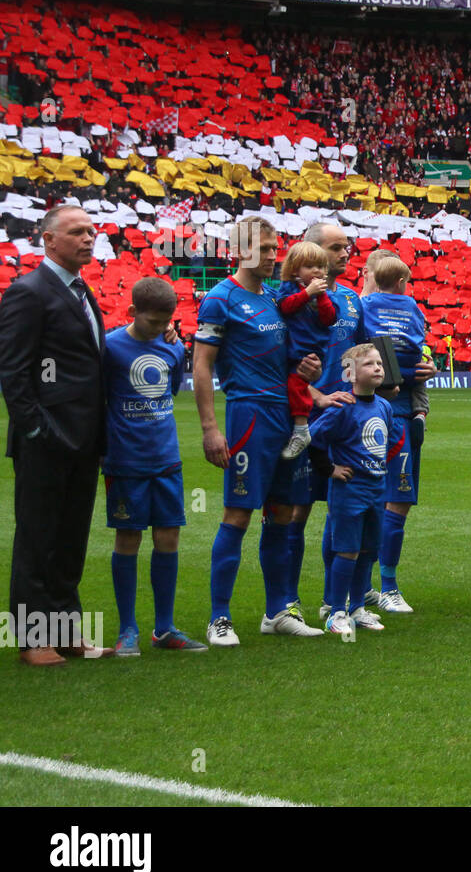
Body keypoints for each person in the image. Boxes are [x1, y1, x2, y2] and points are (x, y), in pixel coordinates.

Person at [194, 216, 325, 646]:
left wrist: (306, 371)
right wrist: (211, 428)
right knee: (238, 513)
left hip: (287, 415)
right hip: (249, 415)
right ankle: (219, 617)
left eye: (274, 249)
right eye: (265, 249)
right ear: (240, 250)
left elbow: (291, 353)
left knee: (284, 513)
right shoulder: (220, 299)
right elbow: (202, 364)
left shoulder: (274, 297)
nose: (273, 257)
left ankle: (278, 611)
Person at [0, 204, 112, 665]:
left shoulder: (81, 291)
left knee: (70, 539)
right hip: (47, 439)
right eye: (77, 232)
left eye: (91, 231)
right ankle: (32, 640)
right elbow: (13, 369)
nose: (88, 238)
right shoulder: (29, 292)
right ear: (47, 239)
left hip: (84, 439)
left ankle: (65, 633)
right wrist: (34, 429)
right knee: (38, 537)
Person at [103, 278, 206, 655]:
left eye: (168, 322)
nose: (163, 329)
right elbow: (100, 400)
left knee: (168, 538)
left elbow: (172, 389)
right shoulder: (111, 348)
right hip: (125, 460)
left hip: (166, 457)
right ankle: (127, 628)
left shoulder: (172, 349)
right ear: (132, 313)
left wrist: (168, 338)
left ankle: (164, 628)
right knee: (128, 538)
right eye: (153, 322)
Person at [285, 223, 367, 614]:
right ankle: (287, 599)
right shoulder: (287, 298)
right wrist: (314, 395)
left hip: (346, 419)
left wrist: (403, 376)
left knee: (342, 508)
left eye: (346, 247)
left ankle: (333, 602)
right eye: (336, 248)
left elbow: (365, 349)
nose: (345, 253)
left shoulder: (351, 299)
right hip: (305, 413)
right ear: (310, 253)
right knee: (296, 510)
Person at [309, 342, 398, 633]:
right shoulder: (342, 406)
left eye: (380, 364)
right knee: (346, 551)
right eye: (370, 364)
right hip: (350, 491)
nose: (378, 368)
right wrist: (330, 469)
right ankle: (336, 612)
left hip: (376, 490)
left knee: (369, 551)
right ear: (350, 373)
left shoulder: (384, 406)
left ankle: (358, 608)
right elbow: (314, 439)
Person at [358, 249, 429, 613]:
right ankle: (376, 586)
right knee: (376, 501)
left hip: (399, 412)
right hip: (378, 414)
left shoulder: (366, 311)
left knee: (392, 500)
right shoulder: (362, 310)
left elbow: (419, 359)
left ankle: (375, 585)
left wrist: (422, 372)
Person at [277, 241, 337, 460]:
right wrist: (307, 293)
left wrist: (319, 295)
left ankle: (302, 429)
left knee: (296, 382)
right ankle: (300, 427)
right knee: (294, 383)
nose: (317, 271)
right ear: (294, 269)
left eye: (320, 266)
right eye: (310, 266)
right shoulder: (288, 288)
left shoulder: (323, 293)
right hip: (294, 348)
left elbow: (329, 318)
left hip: (312, 349)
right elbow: (285, 306)